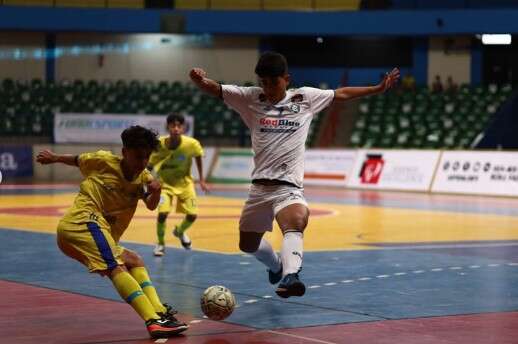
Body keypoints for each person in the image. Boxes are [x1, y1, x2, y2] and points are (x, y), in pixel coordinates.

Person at [189, 51, 399, 298]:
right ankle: (276, 266)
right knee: (247, 244)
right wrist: (201, 81)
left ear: (286, 79)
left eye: (273, 82)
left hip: (288, 187)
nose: (267, 88)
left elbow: (340, 94)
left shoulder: (305, 98)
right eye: (263, 83)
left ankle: (291, 276)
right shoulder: (250, 98)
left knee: (296, 221)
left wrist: (375, 89)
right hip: (258, 189)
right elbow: (218, 89)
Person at [36, 125, 188, 338]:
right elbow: (78, 159)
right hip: (82, 222)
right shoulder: (104, 161)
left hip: (93, 231)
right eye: (138, 156)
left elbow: (152, 205)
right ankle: (153, 321)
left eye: (147, 157)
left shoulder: (143, 177)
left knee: (133, 260)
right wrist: (55, 157)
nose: (143, 162)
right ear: (125, 152)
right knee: (116, 267)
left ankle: (160, 312)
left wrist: (156, 192)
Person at [148, 113, 209, 256]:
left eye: (179, 126)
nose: (176, 128)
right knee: (162, 213)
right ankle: (160, 244)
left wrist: (201, 179)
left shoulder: (191, 144)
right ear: (168, 127)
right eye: (172, 125)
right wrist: (144, 180)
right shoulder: (159, 145)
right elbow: (149, 165)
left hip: (185, 184)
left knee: (192, 215)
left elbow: (198, 157)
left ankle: (179, 231)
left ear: (183, 128)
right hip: (165, 184)